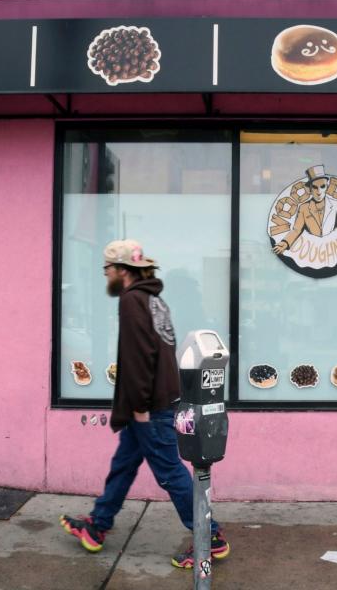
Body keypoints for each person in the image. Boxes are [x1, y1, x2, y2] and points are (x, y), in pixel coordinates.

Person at [60, 239, 230, 569]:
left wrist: (138, 407)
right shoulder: (155, 300)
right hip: (155, 402)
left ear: (123, 271)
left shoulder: (132, 301)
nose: (106, 274)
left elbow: (140, 357)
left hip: (148, 408)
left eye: (108, 269)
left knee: (170, 473)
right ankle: (97, 525)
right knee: (123, 465)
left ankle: (209, 537)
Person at [272, 164, 337, 255]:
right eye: (315, 187)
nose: (319, 192)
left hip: (333, 247)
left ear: (327, 187)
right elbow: (296, 230)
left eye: (322, 187)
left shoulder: (336, 205)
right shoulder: (304, 207)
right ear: (310, 189)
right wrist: (285, 243)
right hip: (310, 249)